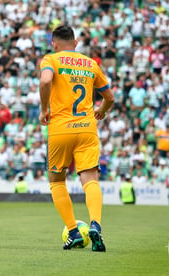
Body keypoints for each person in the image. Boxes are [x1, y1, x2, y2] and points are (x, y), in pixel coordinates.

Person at [39, 25, 114, 251]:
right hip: (87, 128)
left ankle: (73, 232)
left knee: (57, 181)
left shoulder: (50, 59)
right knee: (90, 179)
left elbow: (45, 81)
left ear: (54, 44)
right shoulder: (91, 64)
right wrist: (101, 110)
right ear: (75, 43)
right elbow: (109, 97)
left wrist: (44, 110)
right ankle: (96, 225)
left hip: (60, 128)